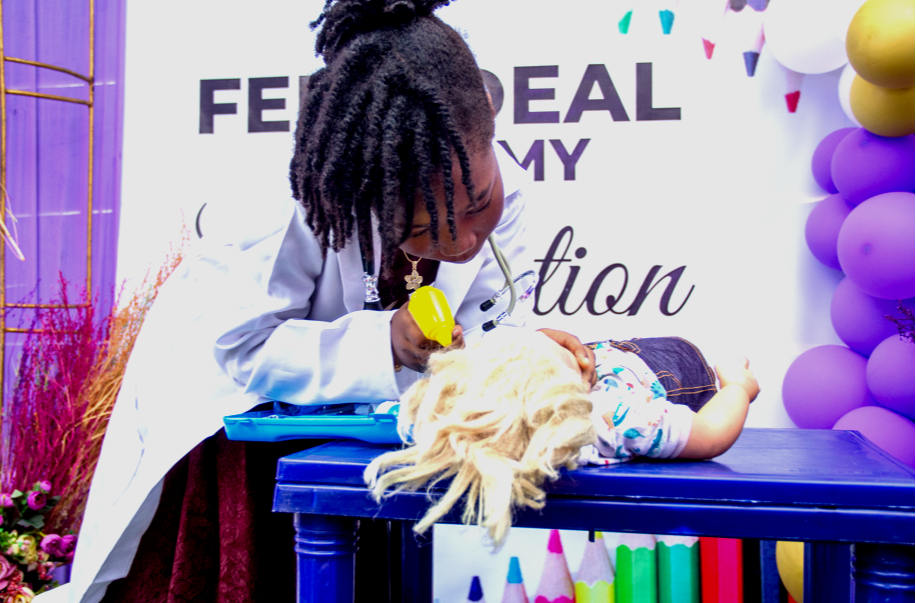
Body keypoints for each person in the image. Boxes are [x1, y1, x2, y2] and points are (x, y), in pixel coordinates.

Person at [36, 1, 595, 602]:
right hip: (238, 426)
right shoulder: (290, 199)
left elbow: (484, 323)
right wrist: (386, 342)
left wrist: (521, 352)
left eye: (478, 204)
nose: (462, 242)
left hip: (356, 440)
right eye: (422, 228)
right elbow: (243, 347)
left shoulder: (503, 187)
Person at [364, 328, 760, 549]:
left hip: (614, 353)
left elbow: (415, 416)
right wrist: (736, 388)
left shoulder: (466, 410)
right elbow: (711, 434)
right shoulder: (617, 418)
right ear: (577, 390)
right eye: (562, 354)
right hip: (677, 373)